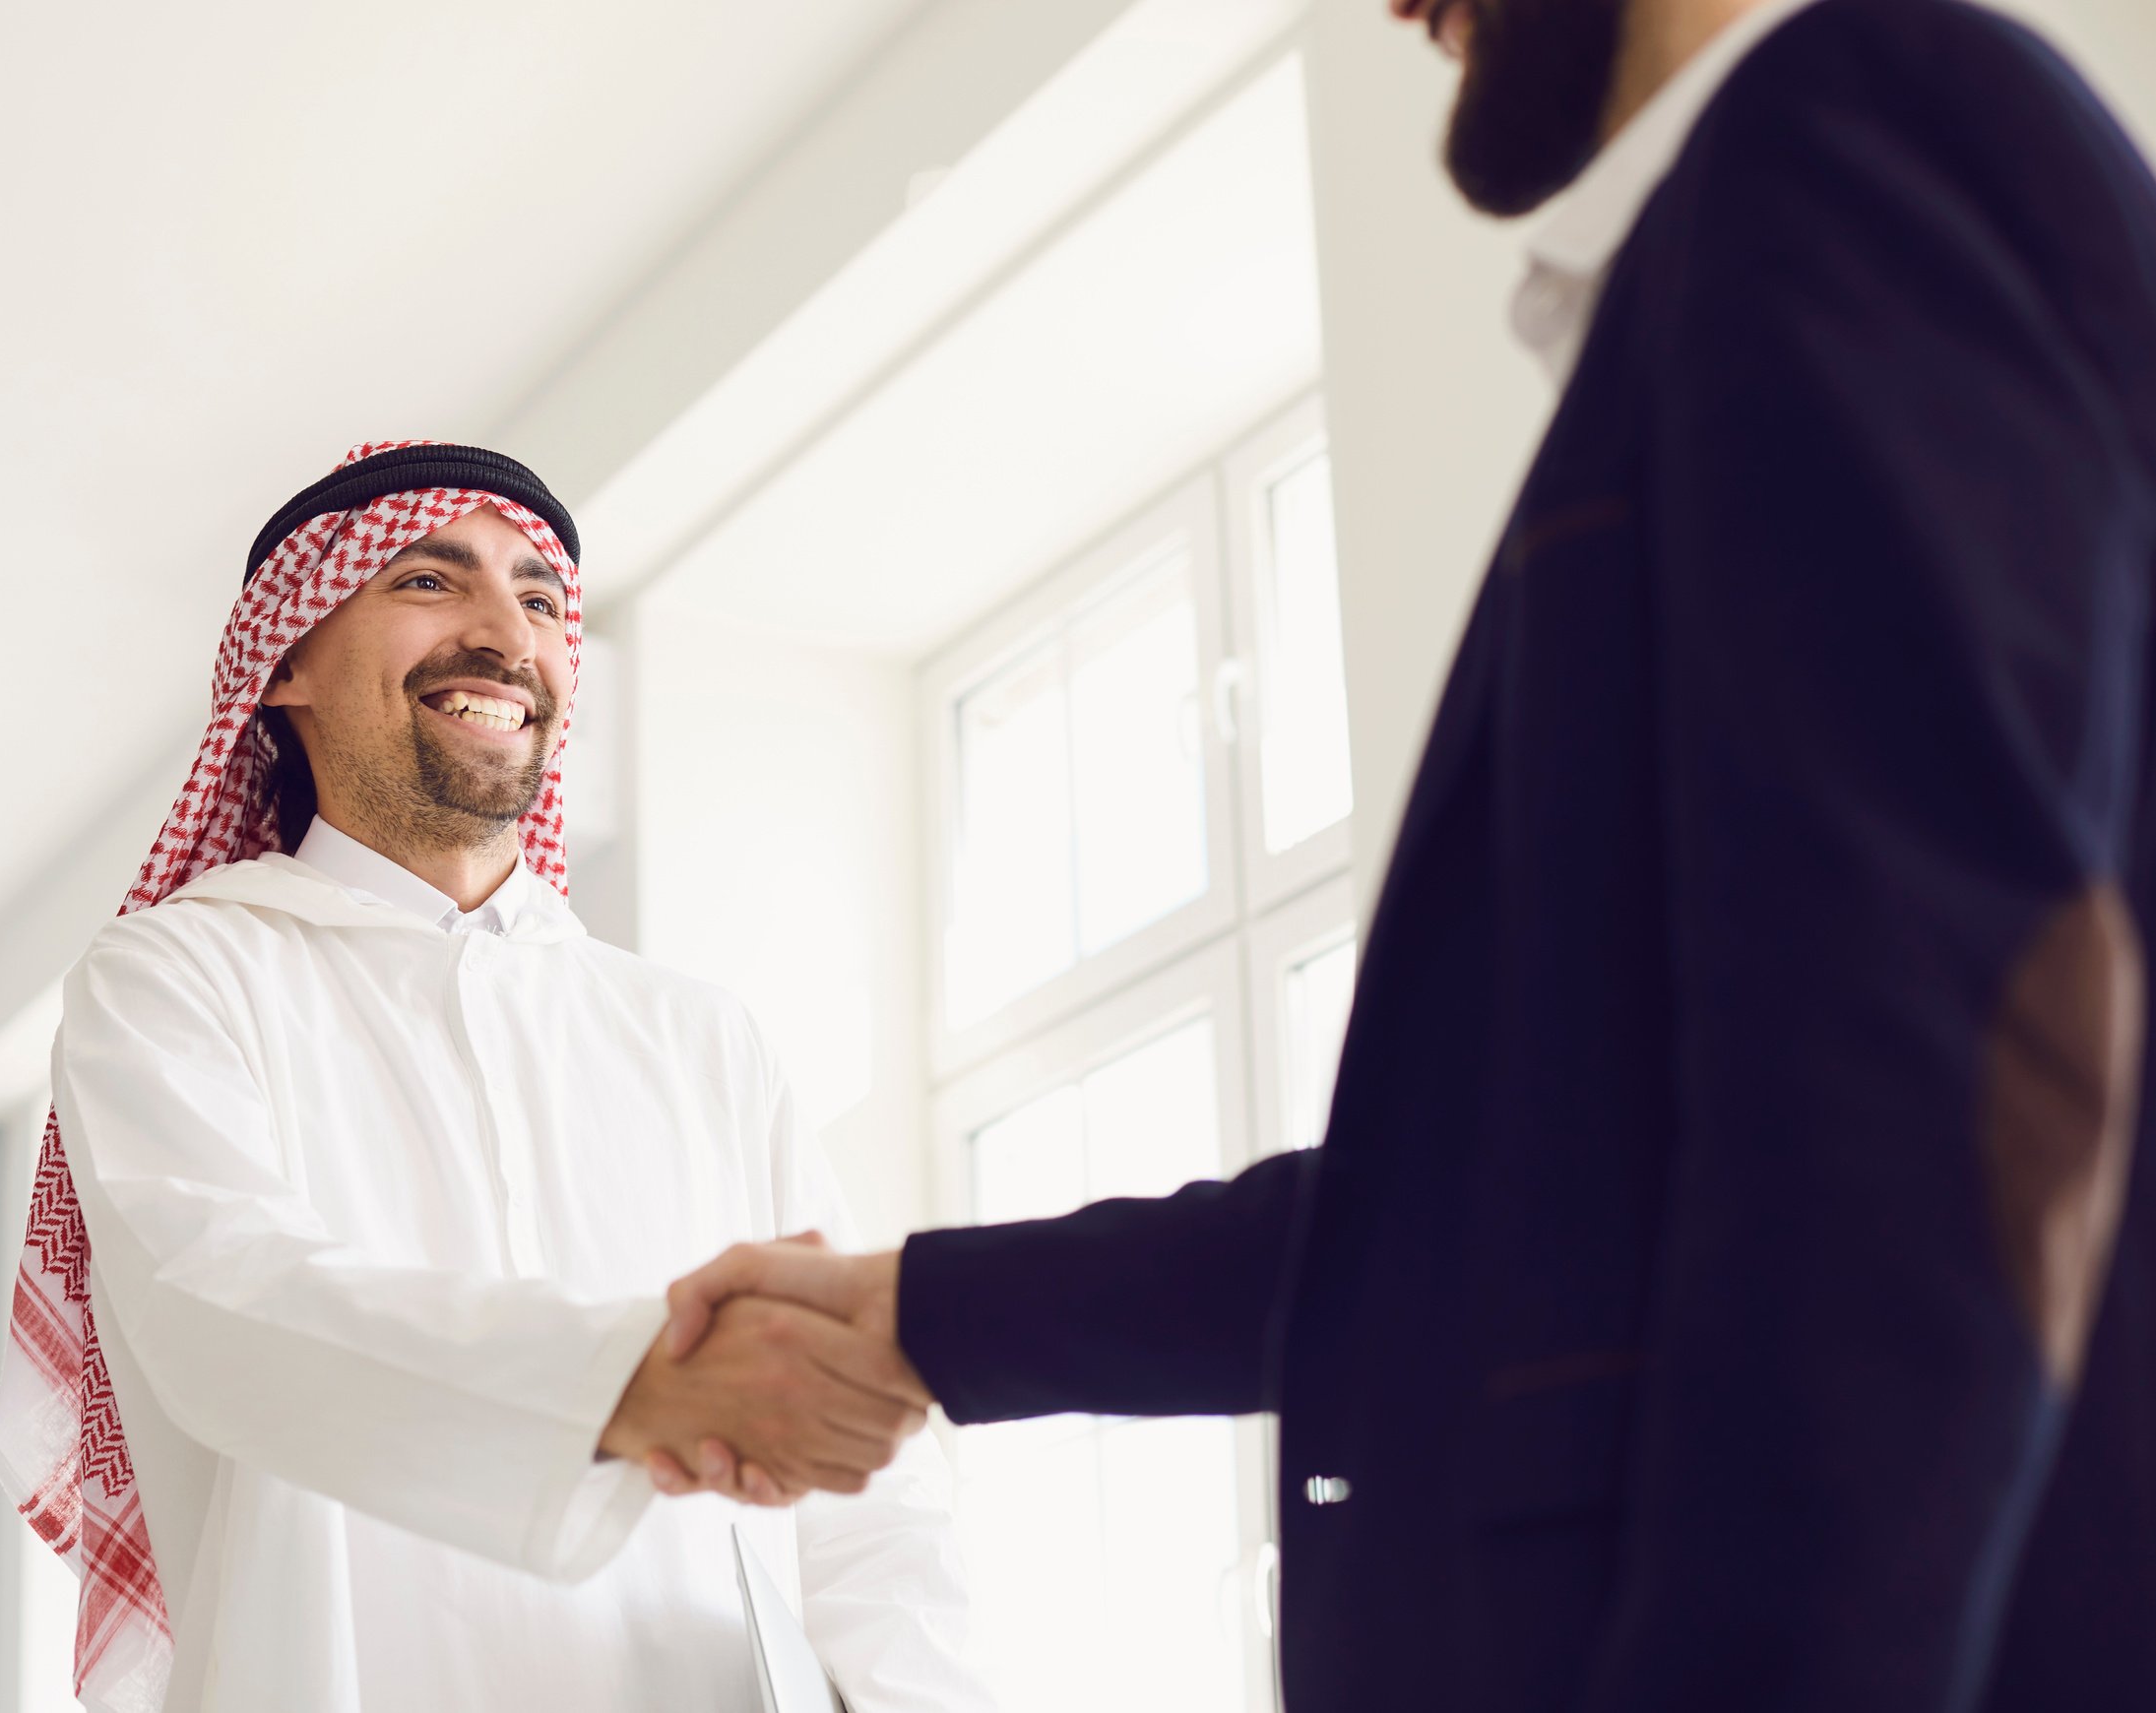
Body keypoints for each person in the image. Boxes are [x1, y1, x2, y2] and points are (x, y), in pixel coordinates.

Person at [658, 0, 2156, 1706]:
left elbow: (1940, 1046)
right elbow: (1513, 1187)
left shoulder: (1849, 123)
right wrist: (925, 1313)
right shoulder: (1767, 212)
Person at [0, 441, 972, 1713]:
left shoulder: (694, 1034)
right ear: (283, 658)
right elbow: (225, 1310)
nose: (506, 635)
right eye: (428, 582)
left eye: (543, 600)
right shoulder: (180, 974)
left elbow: (872, 1489)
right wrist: (625, 1385)